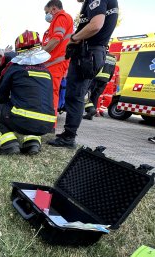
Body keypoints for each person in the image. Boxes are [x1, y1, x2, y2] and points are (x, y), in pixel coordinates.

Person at [48, 0, 119, 148]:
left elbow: (96, 25)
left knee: (75, 96)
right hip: (92, 52)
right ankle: (68, 134)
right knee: (75, 95)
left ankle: (69, 136)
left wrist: (74, 39)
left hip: (88, 52)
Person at [0, 30, 55, 155]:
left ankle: (9, 144)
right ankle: (32, 143)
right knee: (33, 111)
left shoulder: (15, 68)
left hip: (23, 120)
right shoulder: (46, 71)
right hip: (48, 123)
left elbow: (2, 95)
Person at [42, 0, 74, 118]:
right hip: (54, 64)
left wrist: (39, 56)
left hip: (56, 64)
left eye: (46, 12)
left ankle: (50, 125)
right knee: (50, 94)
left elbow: (56, 39)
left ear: (53, 9)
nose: (46, 15)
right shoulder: (57, 22)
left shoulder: (61, 17)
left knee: (51, 95)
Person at [83, 52, 117, 119]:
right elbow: (112, 71)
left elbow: (96, 65)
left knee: (85, 93)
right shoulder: (113, 58)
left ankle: (91, 109)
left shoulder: (100, 54)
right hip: (105, 80)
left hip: (96, 77)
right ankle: (90, 115)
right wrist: (108, 80)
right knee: (95, 97)